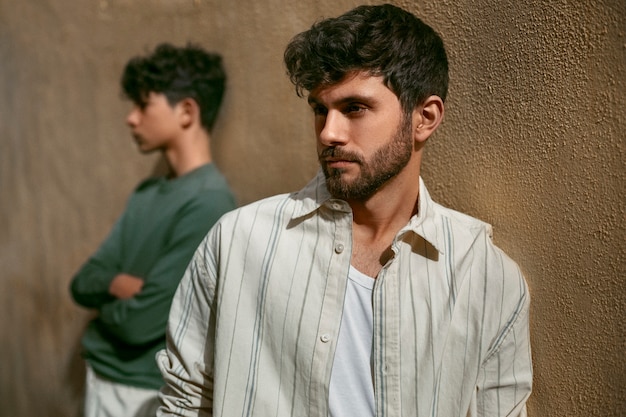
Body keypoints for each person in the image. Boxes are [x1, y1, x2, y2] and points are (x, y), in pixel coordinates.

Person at [156, 4, 532, 417]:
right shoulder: (238, 242)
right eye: (321, 109)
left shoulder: (485, 277)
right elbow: (184, 403)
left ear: (424, 118)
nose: (328, 133)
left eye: (354, 108)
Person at [70, 42, 237, 417]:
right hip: (102, 376)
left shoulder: (208, 203)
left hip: (143, 391)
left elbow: (138, 325)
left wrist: (102, 314)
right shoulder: (148, 192)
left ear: (187, 111)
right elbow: (81, 283)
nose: (131, 118)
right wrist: (114, 285)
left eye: (143, 105)